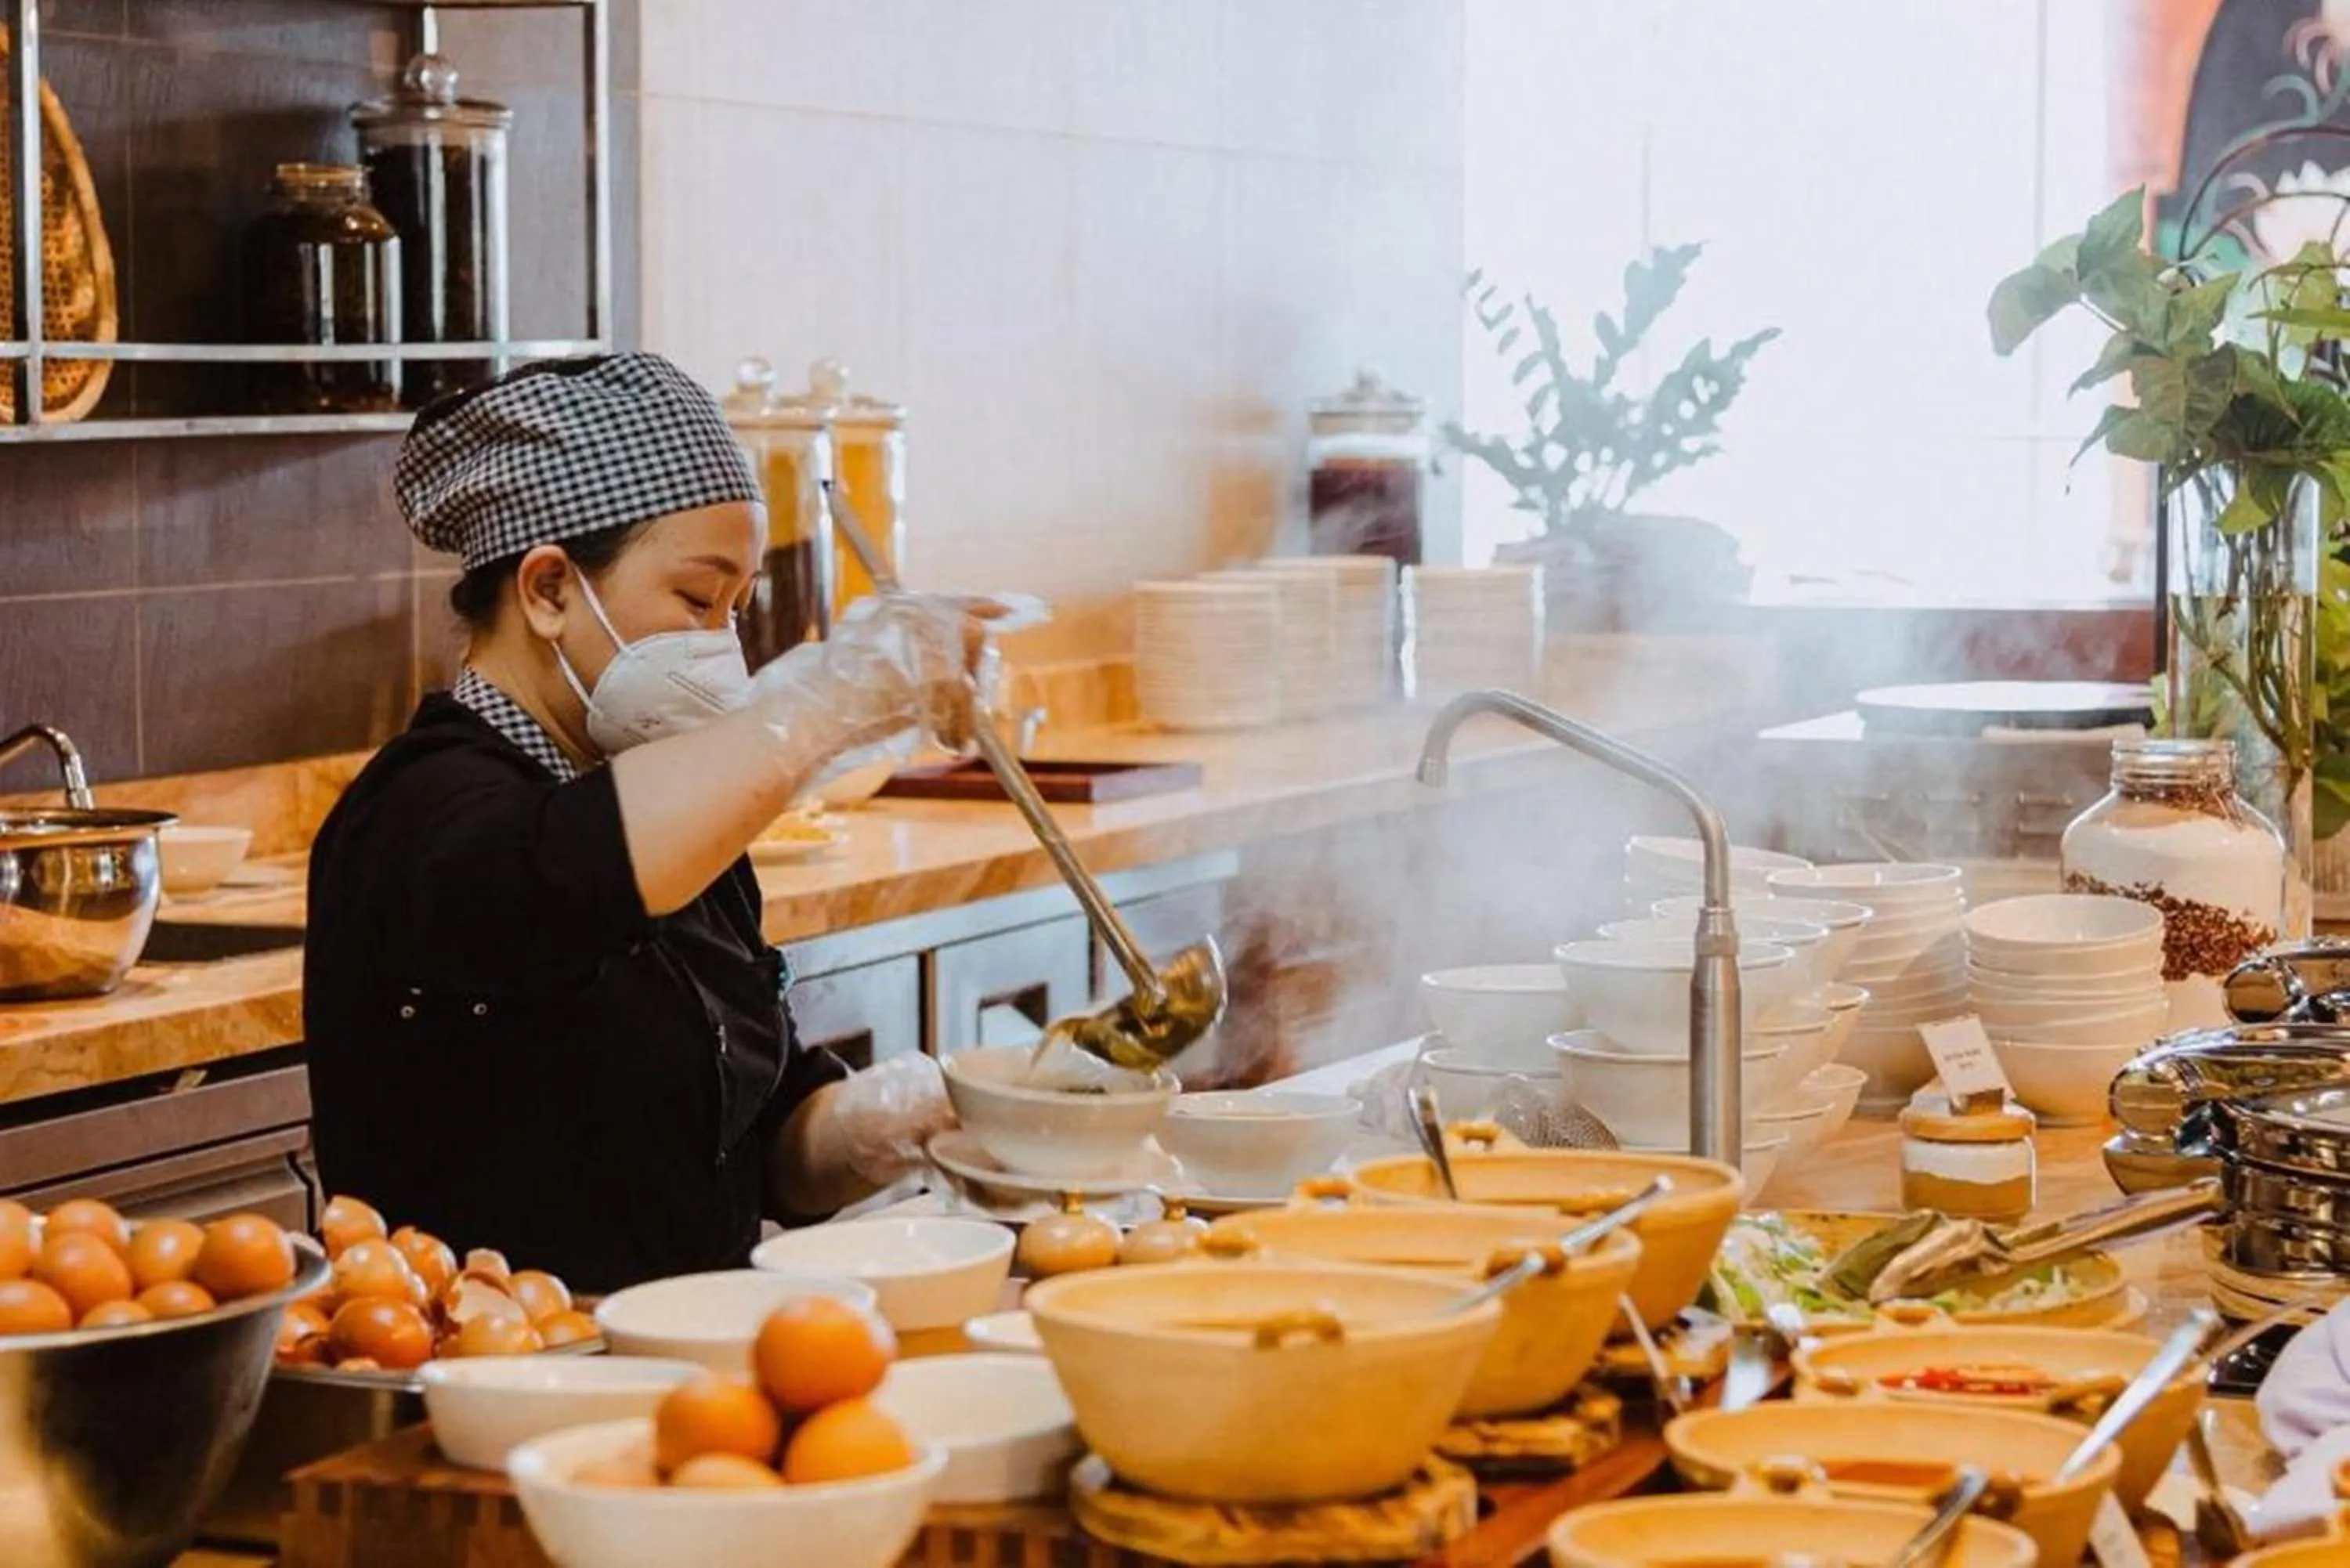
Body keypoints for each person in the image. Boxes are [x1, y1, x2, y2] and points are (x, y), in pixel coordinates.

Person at [303, 353, 985, 1292]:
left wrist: (905, 1116)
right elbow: (564, 875)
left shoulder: (679, 820)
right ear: (546, 590)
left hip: (688, 1362)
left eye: (737, 609)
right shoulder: (419, 814)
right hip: (494, 1384)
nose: (724, 645)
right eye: (697, 601)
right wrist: (825, 708)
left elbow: (763, 1142)